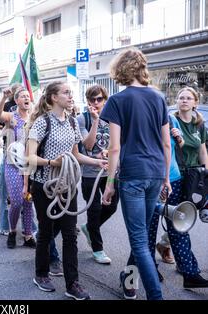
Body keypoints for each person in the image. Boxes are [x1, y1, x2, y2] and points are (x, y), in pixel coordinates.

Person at [101, 48, 172, 300]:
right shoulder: (158, 97)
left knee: (140, 243)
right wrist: (165, 178)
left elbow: (115, 147)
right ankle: (129, 280)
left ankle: (155, 296)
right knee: (140, 236)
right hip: (155, 173)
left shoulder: (117, 100)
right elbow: (166, 144)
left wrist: (110, 183)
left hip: (132, 174)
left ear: (120, 69)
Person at [27, 81, 107, 300]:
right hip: (45, 185)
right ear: (53, 97)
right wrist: (53, 162)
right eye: (66, 93)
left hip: (67, 185)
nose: (71, 96)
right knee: (45, 230)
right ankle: (41, 273)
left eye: (71, 93)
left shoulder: (72, 122)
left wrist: (96, 162)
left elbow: (76, 155)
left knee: (70, 234)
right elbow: (29, 157)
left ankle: (73, 283)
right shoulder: (42, 122)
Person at [148, 108, 208, 290]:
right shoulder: (141, 119)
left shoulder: (169, 119)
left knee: (179, 227)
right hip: (150, 180)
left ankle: (190, 273)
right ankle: (148, 269)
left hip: (173, 178)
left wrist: (178, 138)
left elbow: (178, 146)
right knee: (149, 230)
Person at [78, 85, 118, 264]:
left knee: (111, 207)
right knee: (93, 210)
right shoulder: (82, 118)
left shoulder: (113, 119)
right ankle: (97, 248)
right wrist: (95, 121)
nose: (96, 102)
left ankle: (89, 228)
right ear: (87, 100)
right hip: (90, 173)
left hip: (110, 171)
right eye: (92, 99)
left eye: (99, 99)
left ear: (105, 99)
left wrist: (110, 153)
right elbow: (87, 145)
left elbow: (118, 143)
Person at [0, 87, 36, 249]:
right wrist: (3, 98)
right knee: (17, 200)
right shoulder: (12, 117)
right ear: (17, 101)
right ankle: (12, 231)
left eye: (28, 96)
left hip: (30, 163)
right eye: (23, 96)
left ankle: (28, 235)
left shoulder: (35, 118)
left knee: (28, 201)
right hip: (12, 163)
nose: (26, 98)